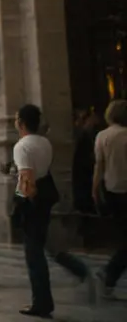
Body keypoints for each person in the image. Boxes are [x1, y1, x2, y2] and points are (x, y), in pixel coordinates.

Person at [13, 104, 60, 318]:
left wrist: (25, 201)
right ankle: (43, 300)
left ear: (21, 123)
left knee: (34, 255)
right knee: (39, 249)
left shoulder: (22, 146)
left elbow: (27, 180)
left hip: (33, 204)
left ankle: (41, 302)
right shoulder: (45, 142)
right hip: (45, 199)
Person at [94, 99, 127, 299]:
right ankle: (109, 273)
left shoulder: (102, 136)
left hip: (111, 190)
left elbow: (99, 167)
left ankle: (109, 275)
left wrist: (94, 191)